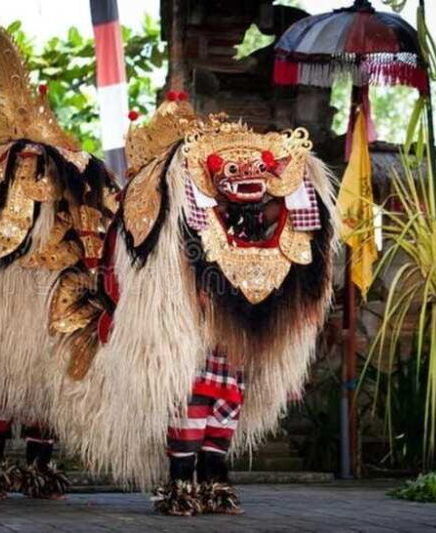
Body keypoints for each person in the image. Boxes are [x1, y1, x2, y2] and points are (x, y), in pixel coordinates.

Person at [50, 94, 337, 515]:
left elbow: (300, 239)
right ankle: (181, 483)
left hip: (234, 333)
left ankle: (214, 480)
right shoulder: (184, 217)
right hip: (194, 334)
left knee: (226, 402)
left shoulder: (255, 219)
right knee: (192, 402)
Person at [0, 23, 116, 500]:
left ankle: (34, 466)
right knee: (2, 374)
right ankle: (1, 465)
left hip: (49, 288)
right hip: (6, 290)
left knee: (38, 380)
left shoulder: (66, 164)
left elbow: (100, 219)